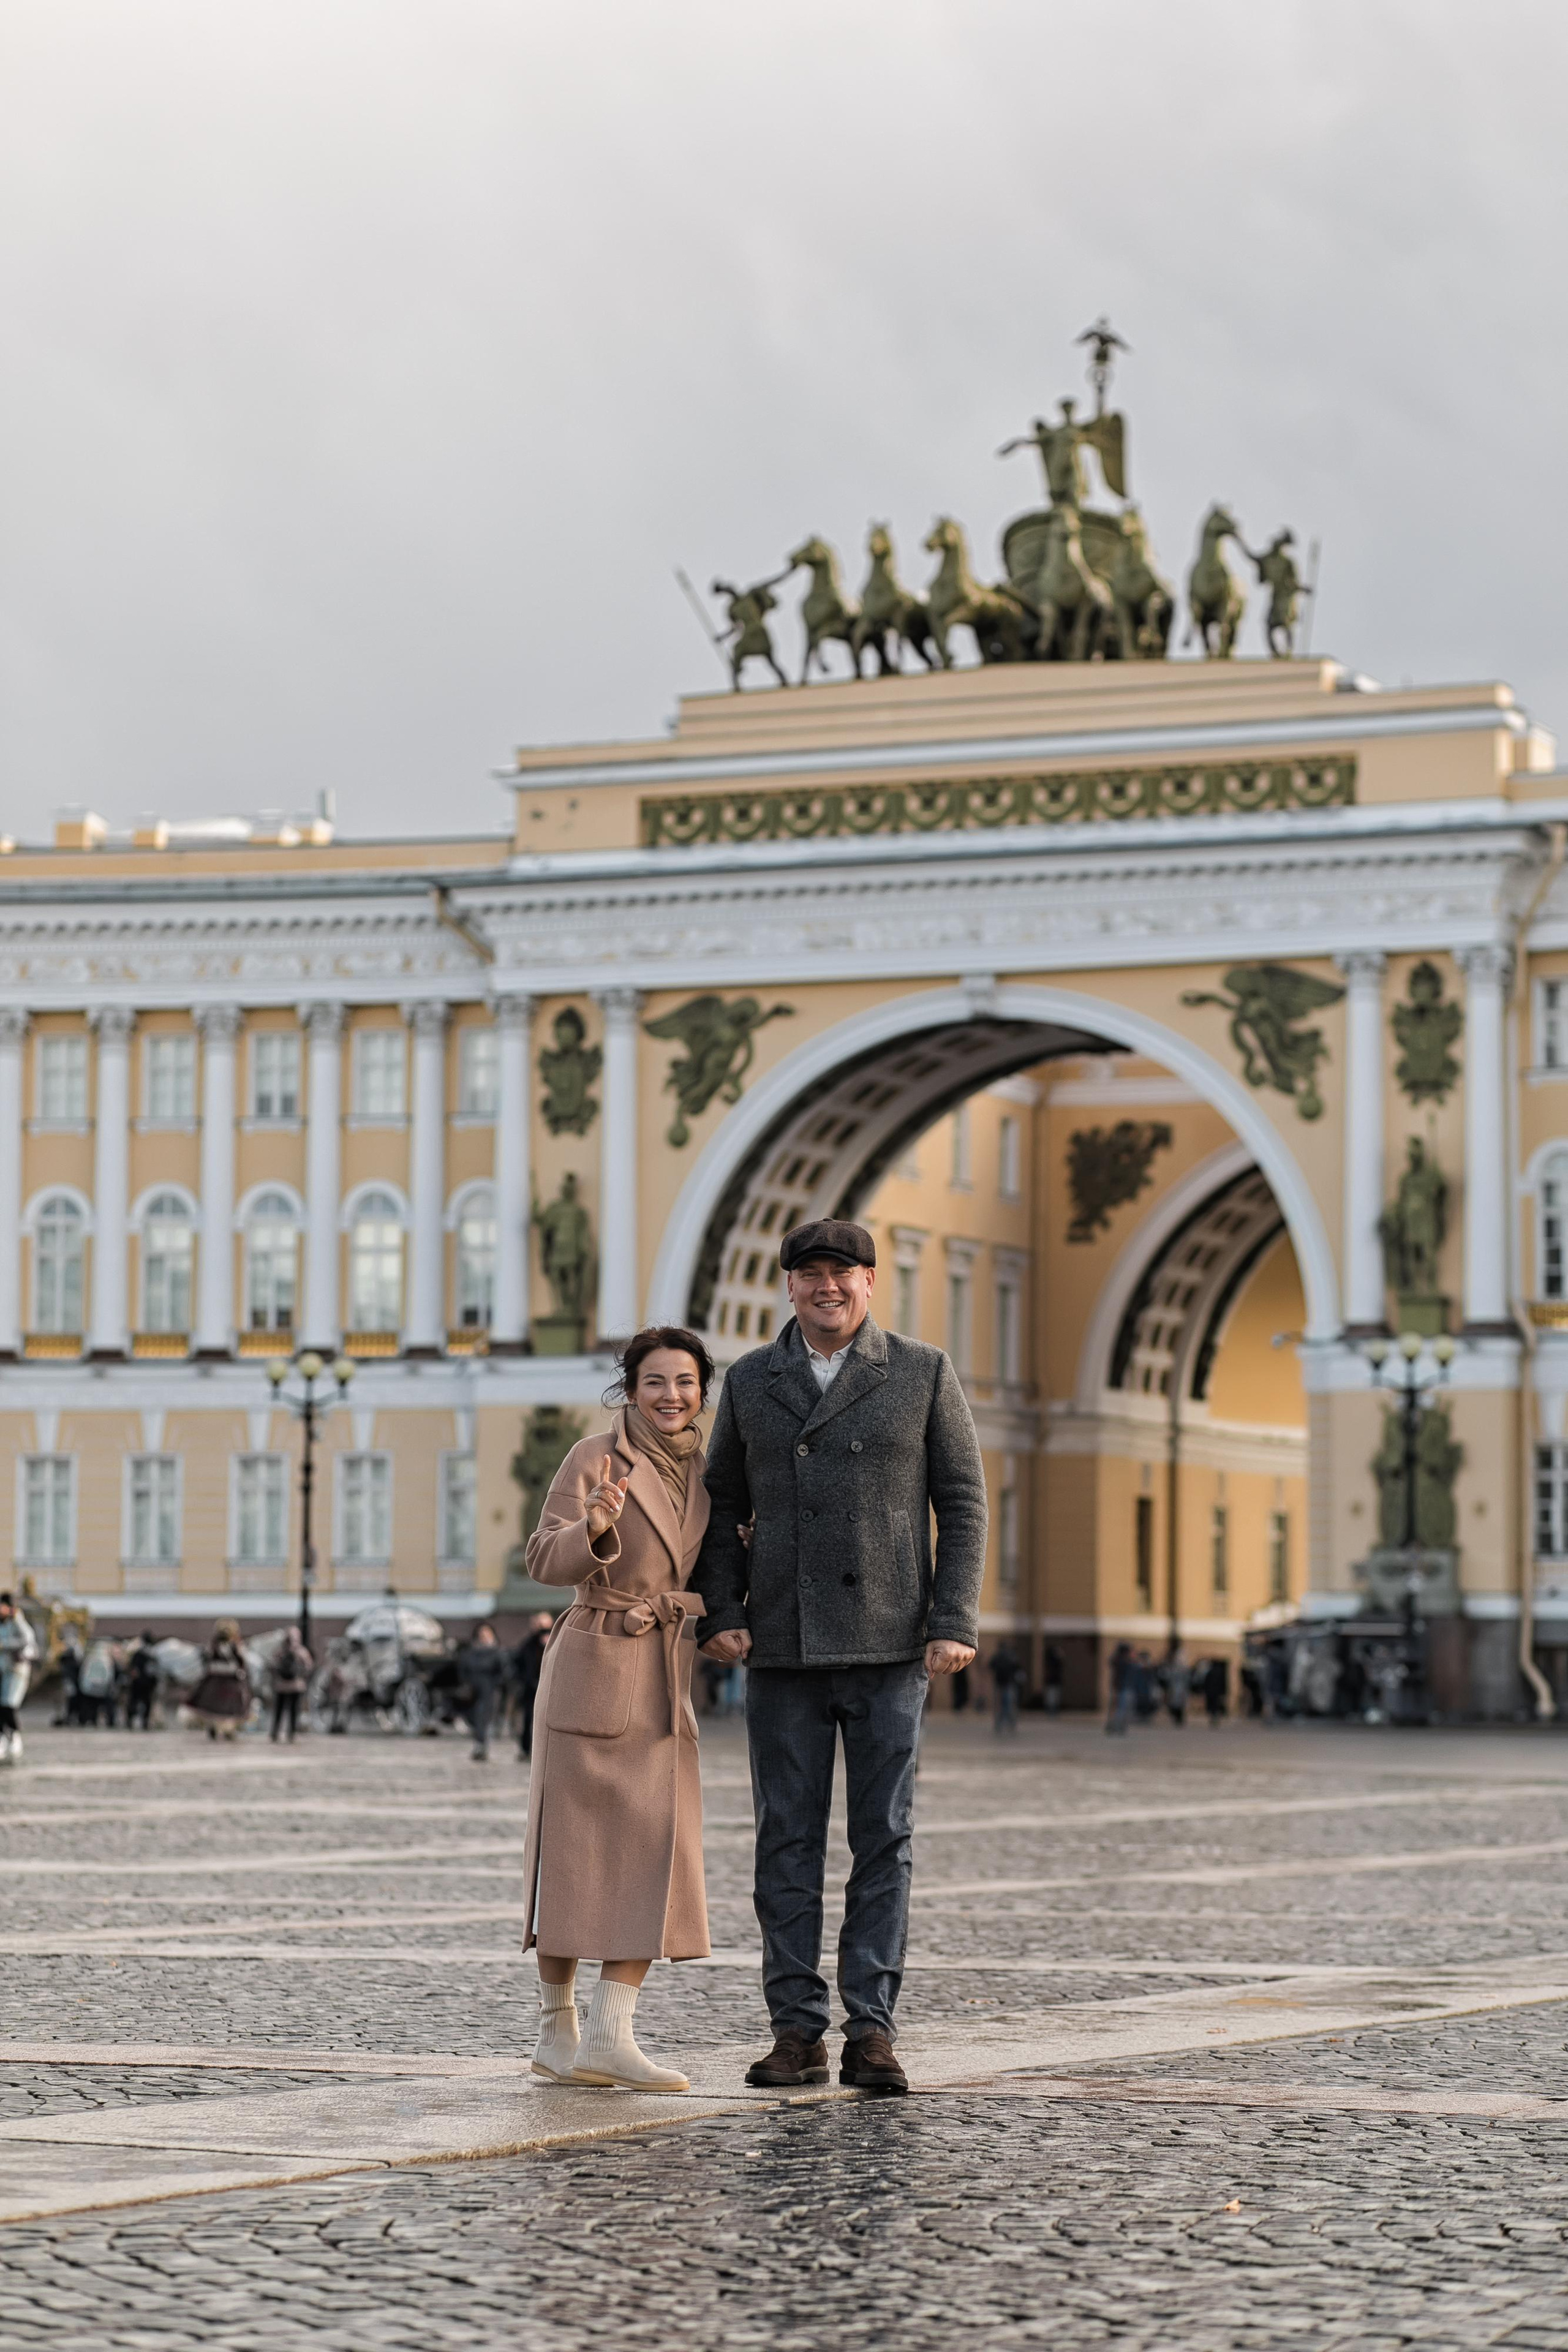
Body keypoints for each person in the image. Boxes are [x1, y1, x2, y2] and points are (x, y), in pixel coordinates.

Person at [693, 1217, 986, 2098]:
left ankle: (872, 2028)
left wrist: (953, 1617)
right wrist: (725, 1611)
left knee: (882, 1840)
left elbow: (962, 1502)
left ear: (870, 1285)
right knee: (785, 1841)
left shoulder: (923, 1371)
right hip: (781, 1641)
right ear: (789, 1286)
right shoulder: (751, 1380)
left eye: (844, 1273)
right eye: (811, 1274)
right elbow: (719, 1503)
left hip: (891, 1639)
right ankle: (794, 2029)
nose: (828, 1287)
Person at [520, 1325, 715, 2094]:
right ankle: (557, 2032)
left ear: (703, 1391)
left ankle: (609, 2031)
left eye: (686, 1383)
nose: (672, 1396)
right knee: (572, 1856)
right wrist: (591, 1528)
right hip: (594, 1657)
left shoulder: (707, 1471)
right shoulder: (594, 1458)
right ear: (629, 1389)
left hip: (665, 1670)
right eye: (656, 1382)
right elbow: (541, 1557)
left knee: (660, 1849)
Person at [188, 1621, 252, 1739]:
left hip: (224, 1680)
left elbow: (241, 1662)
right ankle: (218, 1728)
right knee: (217, 1706)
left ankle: (227, 1729)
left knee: (228, 1706)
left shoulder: (228, 1646)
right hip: (219, 1680)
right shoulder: (216, 1647)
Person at [0, 1593, 40, 1766]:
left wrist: (4, 1644)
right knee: (1, 1706)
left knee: (9, 1705)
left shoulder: (18, 1620)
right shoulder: (3, 1623)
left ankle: (15, 1738)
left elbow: (27, 1639)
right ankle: (3, 1739)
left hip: (17, 1671)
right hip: (2, 1670)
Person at [460, 1623, 507, 1762]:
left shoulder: (497, 1653)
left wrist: (496, 1684)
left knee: (484, 1718)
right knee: (474, 1718)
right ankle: (479, 1745)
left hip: (489, 1691)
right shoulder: (471, 1653)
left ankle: (481, 1746)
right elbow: (464, 1670)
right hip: (473, 1691)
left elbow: (503, 1672)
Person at [511, 1613, 551, 1758]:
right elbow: (519, 1664)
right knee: (528, 1720)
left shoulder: (555, 1640)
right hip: (530, 1689)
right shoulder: (528, 1644)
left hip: (550, 1689)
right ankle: (527, 1749)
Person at [269, 1627, 312, 1744]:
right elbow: (309, 1667)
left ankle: (275, 1732)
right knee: (293, 1711)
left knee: (279, 1711)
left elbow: (272, 1666)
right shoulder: (302, 1652)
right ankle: (291, 1733)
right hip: (296, 1686)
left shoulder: (280, 1651)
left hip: (281, 1686)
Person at [126, 1632, 161, 1732]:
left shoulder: (139, 1654)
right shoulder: (153, 1655)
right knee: (147, 1703)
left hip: (138, 1683)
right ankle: (144, 1721)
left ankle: (131, 1720)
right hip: (148, 1684)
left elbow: (133, 1670)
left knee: (134, 1701)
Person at [989, 1642, 1023, 1735]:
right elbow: (1017, 1668)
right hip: (1008, 1683)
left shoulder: (999, 1656)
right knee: (1009, 1704)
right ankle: (1010, 1724)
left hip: (1001, 1682)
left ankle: (1001, 1724)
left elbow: (991, 1666)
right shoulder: (1010, 1656)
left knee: (1002, 1705)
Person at [1163, 1644, 1190, 1729]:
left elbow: (1187, 1679)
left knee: (1180, 1704)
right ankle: (1176, 1717)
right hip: (1175, 1688)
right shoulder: (1173, 1667)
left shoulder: (1184, 1668)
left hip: (1181, 1688)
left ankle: (1179, 1719)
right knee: (1175, 1703)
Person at [1204, 1654, 1230, 1727]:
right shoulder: (1221, 1672)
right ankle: (1215, 1718)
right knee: (1216, 1706)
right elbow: (1224, 1683)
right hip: (1217, 1692)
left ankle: (1214, 1718)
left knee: (1212, 1706)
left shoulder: (1210, 1671)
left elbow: (1206, 1682)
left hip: (1211, 1692)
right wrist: (1224, 1692)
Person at [1042, 1643, 1065, 1716]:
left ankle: (1054, 1710)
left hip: (1056, 1682)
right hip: (1051, 1682)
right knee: (1051, 1698)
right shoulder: (1052, 1660)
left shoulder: (1057, 1661)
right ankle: (1051, 1711)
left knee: (1055, 1697)